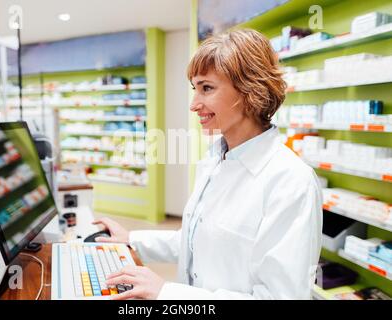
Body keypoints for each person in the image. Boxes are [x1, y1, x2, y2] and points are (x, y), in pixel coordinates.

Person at [94, 28, 323, 300]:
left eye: (207, 88)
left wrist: (167, 293)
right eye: (195, 89)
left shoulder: (290, 181)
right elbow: (196, 240)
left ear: (251, 90)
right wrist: (132, 239)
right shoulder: (215, 159)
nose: (194, 104)